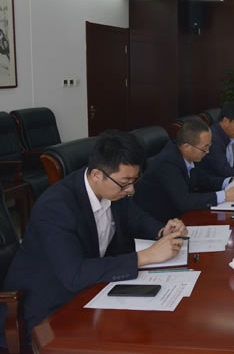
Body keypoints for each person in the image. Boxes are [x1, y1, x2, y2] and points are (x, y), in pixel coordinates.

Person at [1, 131, 187, 339]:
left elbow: (136, 217)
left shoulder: (112, 189)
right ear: (97, 175)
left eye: (134, 180)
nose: (130, 189)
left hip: (92, 290)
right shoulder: (56, 207)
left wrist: (161, 230)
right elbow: (74, 274)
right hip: (49, 308)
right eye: (125, 182)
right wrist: (146, 256)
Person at [134, 118, 234, 222]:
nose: (208, 151)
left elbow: (203, 181)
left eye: (209, 146)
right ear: (186, 147)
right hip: (157, 221)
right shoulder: (167, 162)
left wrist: (230, 181)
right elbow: (184, 201)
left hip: (179, 215)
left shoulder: (190, 155)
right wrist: (225, 196)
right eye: (204, 148)